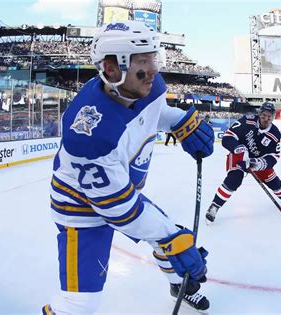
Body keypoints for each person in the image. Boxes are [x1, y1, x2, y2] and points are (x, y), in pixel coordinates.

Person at [42, 21, 214, 315]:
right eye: (143, 63)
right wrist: (170, 239)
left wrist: (179, 121)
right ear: (112, 69)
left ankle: (178, 285)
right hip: (81, 208)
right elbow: (121, 210)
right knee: (79, 305)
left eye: (153, 59)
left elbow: (151, 113)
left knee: (168, 235)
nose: (154, 70)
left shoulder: (148, 85)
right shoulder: (90, 136)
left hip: (118, 189)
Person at [205, 102, 281, 224]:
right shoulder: (247, 121)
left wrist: (259, 163)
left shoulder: (275, 133)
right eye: (263, 115)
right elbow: (227, 137)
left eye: (269, 116)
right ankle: (215, 206)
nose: (266, 119)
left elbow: (274, 156)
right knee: (234, 178)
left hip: (258, 160)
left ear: (272, 117)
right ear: (259, 114)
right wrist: (238, 149)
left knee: (275, 183)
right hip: (239, 156)